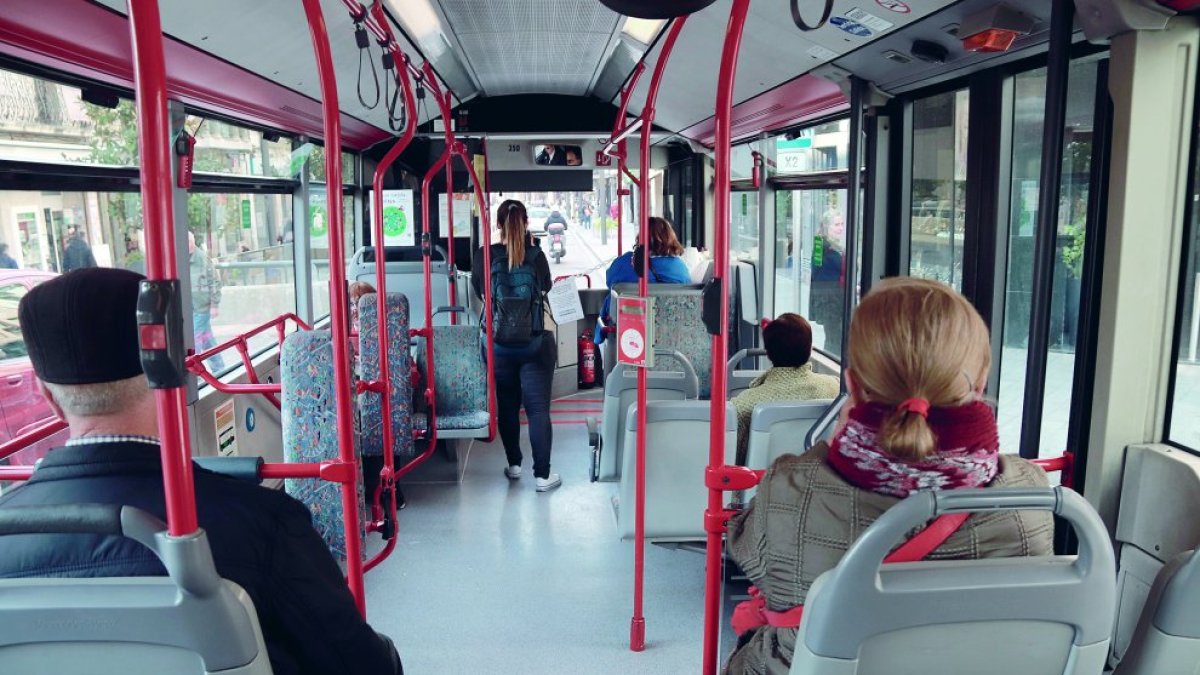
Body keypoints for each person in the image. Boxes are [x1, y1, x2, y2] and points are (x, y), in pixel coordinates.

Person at [0, 268, 404, 675]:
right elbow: (360, 665)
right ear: (173, 375)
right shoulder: (265, 526)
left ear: (47, 396)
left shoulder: (9, 535)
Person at [724, 277, 1054, 675]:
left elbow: (747, 551)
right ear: (980, 384)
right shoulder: (1032, 495)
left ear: (851, 385)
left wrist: (828, 451)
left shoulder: (791, 491)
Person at [471, 199, 560, 492]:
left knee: (508, 406)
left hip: (498, 344)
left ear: (498, 225)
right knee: (537, 409)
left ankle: (514, 465)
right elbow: (545, 287)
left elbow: (480, 290)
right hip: (535, 341)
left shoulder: (485, 255)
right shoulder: (536, 255)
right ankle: (543, 476)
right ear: (525, 224)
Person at [731, 314, 839, 465]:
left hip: (762, 486)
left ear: (768, 354)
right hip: (817, 481)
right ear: (810, 350)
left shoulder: (742, 405)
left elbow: (732, 460)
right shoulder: (836, 389)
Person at [594, 216, 691, 345]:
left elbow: (610, 281)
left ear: (640, 237)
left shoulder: (624, 263)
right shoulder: (679, 267)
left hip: (629, 336)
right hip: (670, 335)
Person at [189, 231, 225, 372]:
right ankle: (219, 368)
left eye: (189, 242)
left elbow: (215, 282)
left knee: (194, 340)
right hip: (190, 307)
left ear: (193, 242)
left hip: (202, 307)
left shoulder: (202, 259)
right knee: (206, 339)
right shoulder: (181, 259)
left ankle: (194, 374)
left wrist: (214, 304)